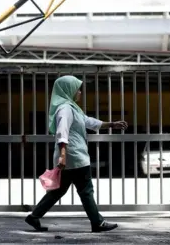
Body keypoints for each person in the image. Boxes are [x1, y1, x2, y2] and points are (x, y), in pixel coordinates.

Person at [25, 75, 128, 233]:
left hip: (70, 157)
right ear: (68, 90)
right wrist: (63, 156)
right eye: (77, 89)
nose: (80, 92)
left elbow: (87, 121)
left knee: (58, 190)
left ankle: (34, 216)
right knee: (86, 190)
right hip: (74, 157)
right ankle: (97, 223)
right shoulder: (65, 109)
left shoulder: (71, 107)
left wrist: (111, 124)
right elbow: (62, 132)